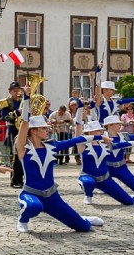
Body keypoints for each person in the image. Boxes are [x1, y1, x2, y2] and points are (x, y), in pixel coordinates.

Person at [14, 100, 104, 233]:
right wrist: (26, 98)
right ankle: (23, 220)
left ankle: (81, 219)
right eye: (44, 128)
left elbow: (76, 140)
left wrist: (100, 137)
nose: (48, 130)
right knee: (34, 206)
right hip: (31, 194)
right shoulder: (23, 149)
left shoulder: (51, 146)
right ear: (33, 131)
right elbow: (24, 123)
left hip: (52, 196)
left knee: (84, 228)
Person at [77, 120, 134, 206]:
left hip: (104, 178)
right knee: (88, 183)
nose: (99, 132)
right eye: (96, 131)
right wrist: (80, 113)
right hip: (87, 176)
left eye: (99, 130)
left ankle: (130, 197)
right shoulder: (83, 144)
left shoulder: (104, 143)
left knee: (128, 202)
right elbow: (77, 133)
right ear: (89, 132)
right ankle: (88, 195)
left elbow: (121, 145)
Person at [0, 82, 25, 186]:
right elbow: (5, 117)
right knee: (16, 155)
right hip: (13, 129)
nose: (17, 92)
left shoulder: (24, 100)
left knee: (24, 154)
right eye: (14, 91)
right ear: (10, 92)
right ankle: (14, 180)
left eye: (18, 90)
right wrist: (18, 112)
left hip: (24, 129)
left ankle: (21, 178)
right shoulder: (7, 102)